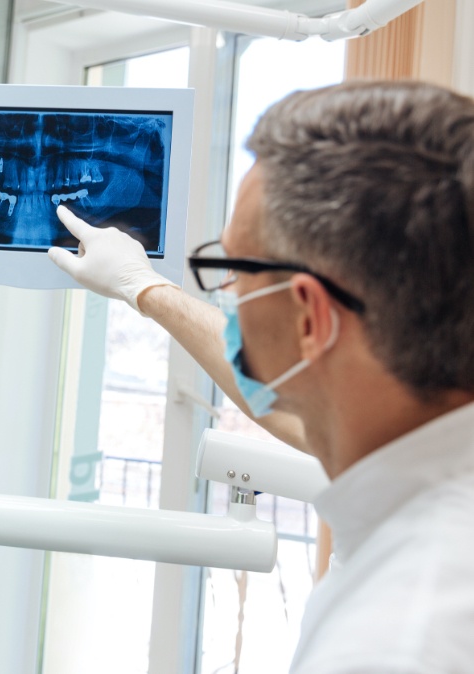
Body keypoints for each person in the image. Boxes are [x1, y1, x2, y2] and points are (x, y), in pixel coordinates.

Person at [48, 79, 474, 673]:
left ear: (309, 318)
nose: (226, 295)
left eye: (232, 269)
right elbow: (290, 408)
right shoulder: (419, 440)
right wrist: (143, 288)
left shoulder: (398, 636)